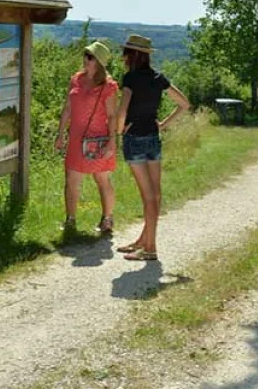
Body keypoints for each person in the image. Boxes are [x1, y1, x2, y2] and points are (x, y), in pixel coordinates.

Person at [116, 34, 190, 261]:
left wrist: (119, 131)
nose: (124, 57)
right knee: (155, 196)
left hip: (135, 140)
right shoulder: (158, 77)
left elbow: (122, 112)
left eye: (126, 52)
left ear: (133, 55)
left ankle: (150, 249)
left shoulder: (130, 79)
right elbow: (184, 104)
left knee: (148, 197)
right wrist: (164, 124)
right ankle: (143, 240)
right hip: (153, 138)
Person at [55, 41, 119, 235]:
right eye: (85, 54)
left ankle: (107, 219)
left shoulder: (108, 86)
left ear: (99, 62)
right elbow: (67, 108)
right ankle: (70, 221)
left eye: (90, 57)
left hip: (98, 140)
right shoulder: (76, 79)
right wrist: (60, 134)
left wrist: (112, 142)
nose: (85, 59)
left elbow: (112, 116)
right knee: (71, 180)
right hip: (76, 138)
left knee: (102, 179)